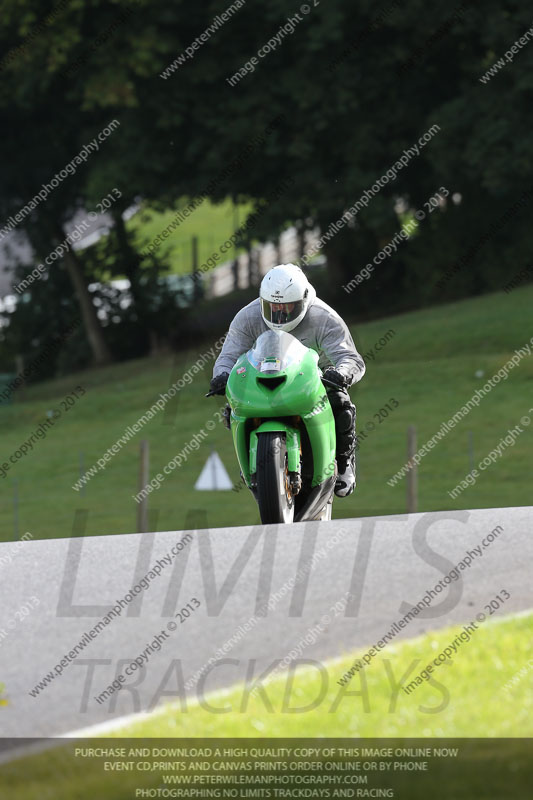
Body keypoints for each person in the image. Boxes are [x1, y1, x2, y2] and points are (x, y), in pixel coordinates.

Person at [209, 263, 365, 497]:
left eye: (288, 307)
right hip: (265, 373)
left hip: (314, 377)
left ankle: (343, 463)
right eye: (272, 307)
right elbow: (228, 356)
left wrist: (342, 373)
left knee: (339, 401)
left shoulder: (323, 316)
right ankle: (251, 465)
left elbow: (350, 357)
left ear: (303, 300)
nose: (279, 314)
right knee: (233, 407)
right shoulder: (248, 316)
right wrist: (221, 376)